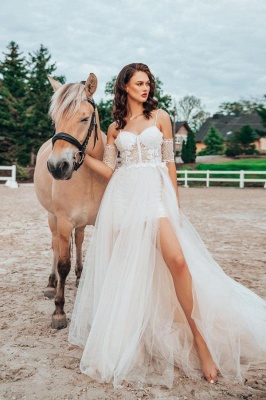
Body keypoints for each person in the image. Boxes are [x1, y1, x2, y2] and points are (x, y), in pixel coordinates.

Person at [68, 63, 266, 389]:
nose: (145, 88)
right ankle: (138, 339)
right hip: (125, 200)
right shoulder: (116, 128)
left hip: (155, 197)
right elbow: (111, 171)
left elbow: (169, 162)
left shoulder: (160, 117)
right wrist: (83, 157)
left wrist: (174, 203)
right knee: (131, 273)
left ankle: (201, 341)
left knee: (178, 262)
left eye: (148, 83)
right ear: (125, 87)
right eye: (139, 83)